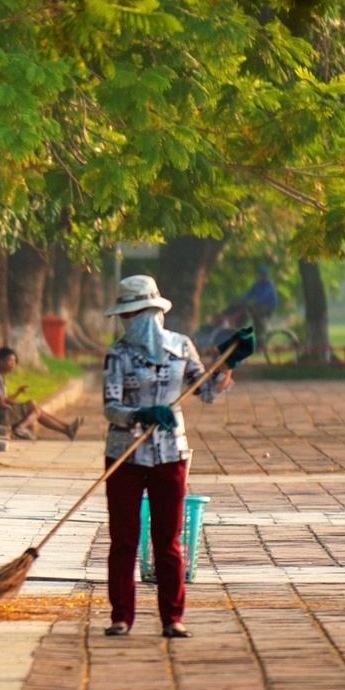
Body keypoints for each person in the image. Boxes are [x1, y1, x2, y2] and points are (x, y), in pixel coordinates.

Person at [103, 274, 232, 640]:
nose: (128, 321)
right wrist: (140, 414)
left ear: (151, 312)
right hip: (124, 454)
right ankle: (121, 616)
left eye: (133, 314)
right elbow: (111, 406)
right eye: (125, 315)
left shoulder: (181, 347)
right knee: (123, 539)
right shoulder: (118, 354)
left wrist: (228, 364)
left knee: (168, 539)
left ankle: (172, 617)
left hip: (170, 453)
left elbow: (206, 392)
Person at [0, 346, 81, 440]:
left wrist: (18, 394)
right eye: (10, 361)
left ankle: (67, 429)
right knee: (34, 409)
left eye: (15, 361)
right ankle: (20, 428)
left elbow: (4, 399)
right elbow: (1, 404)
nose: (13, 364)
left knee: (34, 408)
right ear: (1, 361)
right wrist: (19, 409)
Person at [241, 266, 278, 343]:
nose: (263, 277)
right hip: (260, 305)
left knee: (258, 314)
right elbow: (250, 292)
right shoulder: (257, 284)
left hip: (269, 305)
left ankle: (263, 330)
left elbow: (265, 296)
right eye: (261, 275)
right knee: (254, 316)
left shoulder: (269, 284)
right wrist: (244, 299)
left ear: (267, 276)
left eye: (264, 275)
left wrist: (256, 304)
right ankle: (258, 332)